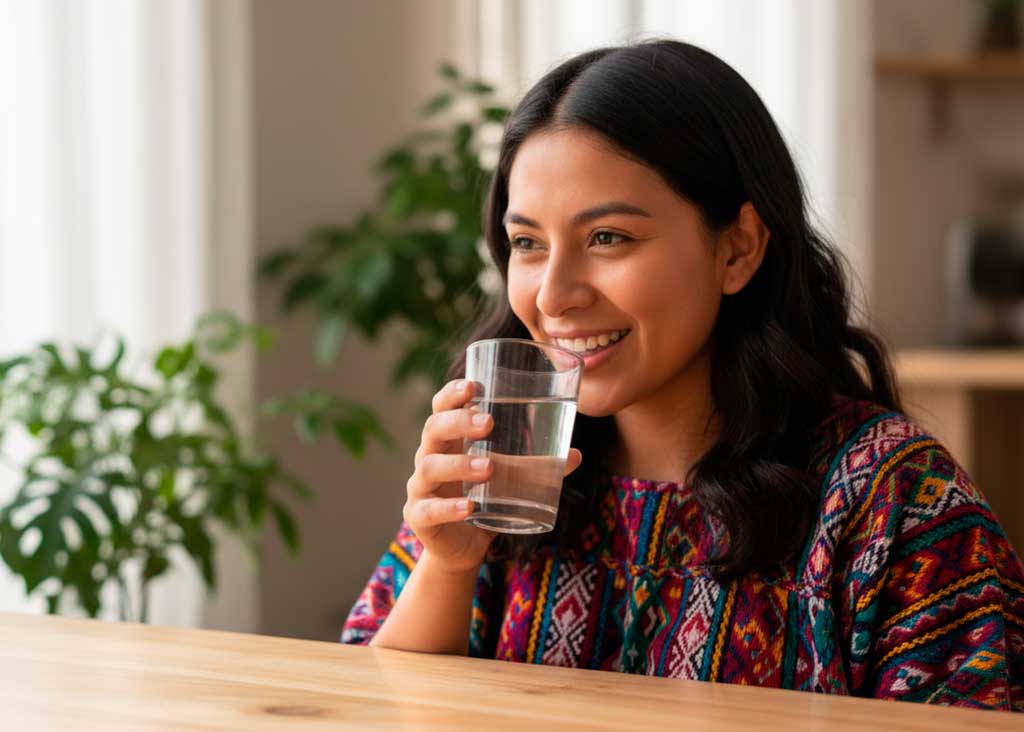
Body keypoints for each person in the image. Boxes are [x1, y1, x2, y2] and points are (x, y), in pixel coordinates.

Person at [340, 39, 1024, 710]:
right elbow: (369, 710)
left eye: (608, 238)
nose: (552, 295)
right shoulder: (506, 465)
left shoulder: (893, 499)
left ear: (738, 249)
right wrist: (449, 565)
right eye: (528, 244)